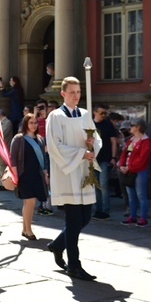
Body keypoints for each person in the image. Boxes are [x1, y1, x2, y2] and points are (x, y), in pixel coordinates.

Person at [45, 76, 102, 281]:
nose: (76, 96)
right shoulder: (56, 117)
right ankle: (74, 265)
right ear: (63, 94)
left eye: (78, 92)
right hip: (67, 173)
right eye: (72, 92)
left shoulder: (85, 115)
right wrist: (80, 154)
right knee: (73, 219)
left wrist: (92, 144)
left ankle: (58, 244)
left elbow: (96, 139)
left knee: (85, 217)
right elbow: (55, 145)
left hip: (83, 173)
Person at [10, 113, 48, 240]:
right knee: (30, 201)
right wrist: (15, 175)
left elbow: (43, 157)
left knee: (29, 202)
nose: (34, 125)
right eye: (31, 123)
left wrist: (45, 172)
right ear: (25, 124)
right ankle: (29, 230)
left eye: (35, 123)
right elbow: (13, 158)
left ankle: (25, 229)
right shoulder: (19, 138)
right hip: (24, 175)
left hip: (37, 175)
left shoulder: (40, 139)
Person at [118, 119, 151, 227]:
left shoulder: (146, 141)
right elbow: (124, 153)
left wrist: (129, 167)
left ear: (138, 127)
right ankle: (132, 216)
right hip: (129, 171)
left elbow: (142, 159)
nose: (130, 127)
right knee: (131, 195)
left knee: (141, 195)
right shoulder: (130, 140)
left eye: (132, 125)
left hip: (139, 171)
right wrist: (122, 165)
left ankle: (143, 217)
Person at [92, 104, 119, 219]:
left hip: (104, 158)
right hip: (92, 159)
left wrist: (113, 157)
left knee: (103, 185)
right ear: (95, 112)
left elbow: (114, 141)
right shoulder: (89, 124)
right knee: (96, 185)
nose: (103, 115)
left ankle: (105, 210)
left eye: (105, 113)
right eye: (101, 113)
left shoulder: (108, 125)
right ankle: (98, 209)